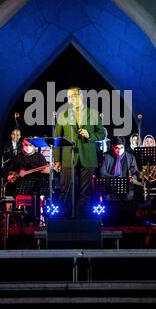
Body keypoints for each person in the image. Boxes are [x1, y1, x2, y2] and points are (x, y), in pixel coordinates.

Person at [54, 87, 105, 217]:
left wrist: (90, 135)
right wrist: (57, 160)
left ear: (81, 96)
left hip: (88, 157)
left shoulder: (93, 113)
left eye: (73, 96)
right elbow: (57, 139)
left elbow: (102, 133)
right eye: (69, 97)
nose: (71, 99)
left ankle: (82, 218)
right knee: (65, 190)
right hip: (67, 157)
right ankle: (64, 219)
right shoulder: (63, 114)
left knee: (85, 191)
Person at [100, 136, 140, 200]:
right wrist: (114, 178)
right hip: (111, 186)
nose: (119, 150)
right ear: (112, 147)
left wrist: (132, 178)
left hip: (127, 186)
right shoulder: (106, 156)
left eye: (121, 147)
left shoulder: (130, 157)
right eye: (117, 148)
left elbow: (135, 173)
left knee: (130, 196)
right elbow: (102, 173)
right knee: (108, 199)